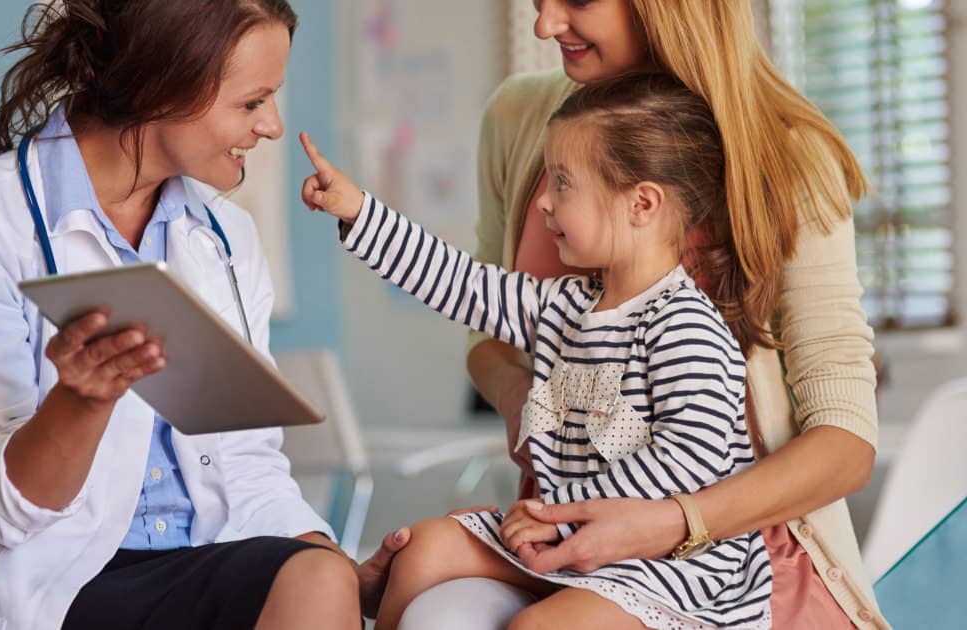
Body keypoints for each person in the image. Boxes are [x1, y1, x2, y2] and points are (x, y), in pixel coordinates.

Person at [0, 2, 408, 629]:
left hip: (188, 568)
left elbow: (248, 468)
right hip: (38, 587)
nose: (273, 126)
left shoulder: (227, 238)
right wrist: (81, 401)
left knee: (319, 577)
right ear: (163, 87)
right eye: (252, 103)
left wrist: (336, 567)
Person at [409, 0, 883, 628]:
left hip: (734, 551)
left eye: (576, 2)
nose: (544, 26)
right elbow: (487, 331)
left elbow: (845, 442)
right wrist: (521, 395)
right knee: (418, 572)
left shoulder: (789, 156)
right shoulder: (519, 116)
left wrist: (671, 522)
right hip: (562, 528)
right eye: (538, 2)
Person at [300, 73, 772, 630]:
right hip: (566, 538)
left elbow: (685, 462)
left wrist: (561, 514)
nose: (543, 202)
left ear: (642, 204)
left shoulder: (685, 326)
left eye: (564, 183)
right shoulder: (562, 304)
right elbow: (460, 283)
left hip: (670, 568)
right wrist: (359, 212)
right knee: (421, 550)